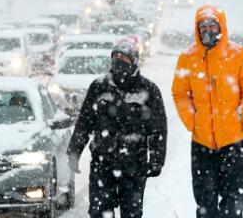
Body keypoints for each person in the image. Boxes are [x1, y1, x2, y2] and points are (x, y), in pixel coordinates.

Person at [172, 4, 243, 218]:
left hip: (233, 144)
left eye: (212, 25)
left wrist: (241, 121)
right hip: (202, 145)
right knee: (205, 206)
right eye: (202, 25)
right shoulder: (188, 57)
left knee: (232, 205)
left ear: (221, 26)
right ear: (197, 28)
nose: (207, 30)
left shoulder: (238, 55)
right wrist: (193, 123)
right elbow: (180, 93)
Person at [66, 37, 167, 218]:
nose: (119, 61)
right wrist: (74, 152)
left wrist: (156, 160)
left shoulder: (148, 90)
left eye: (124, 58)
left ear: (134, 61)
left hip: (135, 165)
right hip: (102, 163)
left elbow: (158, 129)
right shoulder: (99, 87)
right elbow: (84, 123)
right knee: (99, 212)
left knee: (132, 213)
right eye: (115, 57)